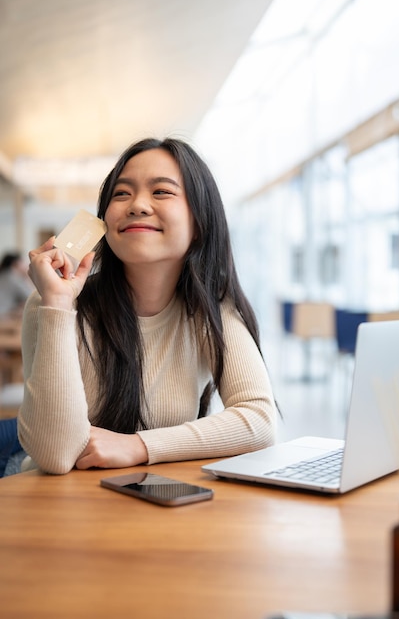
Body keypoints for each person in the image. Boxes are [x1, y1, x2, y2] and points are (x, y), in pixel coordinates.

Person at [17, 137, 278, 475]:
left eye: (161, 192)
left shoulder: (212, 310)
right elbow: (55, 457)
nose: (137, 205)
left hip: (153, 498)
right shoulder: (51, 302)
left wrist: (138, 446)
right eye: (121, 193)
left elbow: (259, 420)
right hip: (55, 507)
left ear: (199, 223)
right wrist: (57, 304)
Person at [0, 252, 32, 316]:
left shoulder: (3, 274)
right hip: (3, 318)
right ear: (15, 264)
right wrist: (28, 277)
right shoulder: (13, 277)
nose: (25, 266)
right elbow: (31, 297)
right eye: (22, 263)